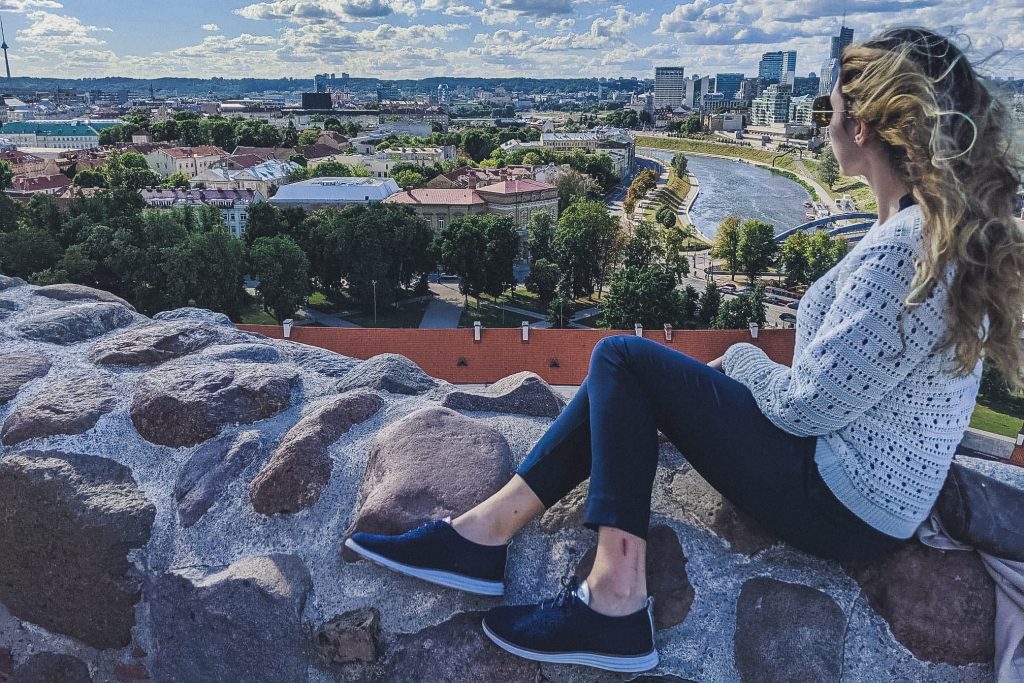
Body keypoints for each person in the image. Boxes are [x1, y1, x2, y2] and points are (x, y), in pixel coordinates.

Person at [345, 27, 1024, 673]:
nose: (822, 121)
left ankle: (610, 597)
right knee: (632, 380)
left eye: (828, 108)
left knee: (621, 357)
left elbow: (805, 406)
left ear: (864, 127)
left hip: (840, 498)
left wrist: (740, 360)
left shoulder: (905, 248)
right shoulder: (927, 234)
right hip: (862, 493)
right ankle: (483, 533)